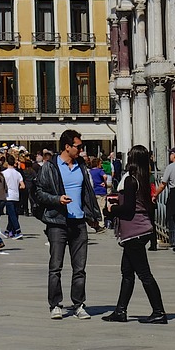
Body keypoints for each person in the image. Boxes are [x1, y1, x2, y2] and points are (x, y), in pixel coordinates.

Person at [32, 129, 102, 320]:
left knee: (80, 267)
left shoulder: (81, 165)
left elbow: (87, 193)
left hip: (78, 223)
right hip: (58, 222)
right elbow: (38, 193)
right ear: (67, 147)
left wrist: (92, 216)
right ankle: (55, 304)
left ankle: (79, 304)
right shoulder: (50, 167)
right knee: (56, 266)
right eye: (78, 146)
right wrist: (56, 199)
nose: (81, 149)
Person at [102, 145, 167, 324]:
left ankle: (159, 312)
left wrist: (111, 209)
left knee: (144, 274)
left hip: (134, 232)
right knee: (127, 272)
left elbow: (128, 208)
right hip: (140, 230)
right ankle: (120, 311)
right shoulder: (143, 179)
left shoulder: (131, 180)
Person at [1, 154, 24, 238]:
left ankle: (18, 230)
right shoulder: (18, 174)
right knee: (13, 213)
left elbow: (1, 185)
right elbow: (23, 186)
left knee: (12, 214)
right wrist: (17, 186)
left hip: (8, 195)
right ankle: (7, 231)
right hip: (16, 195)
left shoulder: (3, 173)